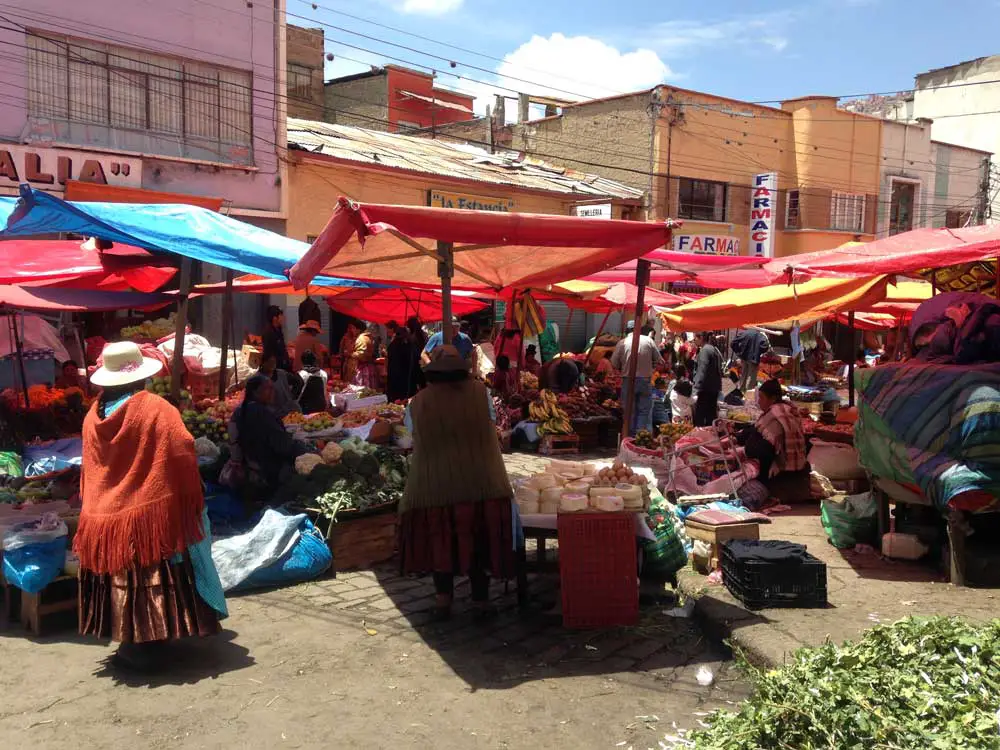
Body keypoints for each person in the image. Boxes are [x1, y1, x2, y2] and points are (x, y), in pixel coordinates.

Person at [76, 341, 227, 671]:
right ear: (141, 375)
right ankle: (151, 642)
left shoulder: (94, 414)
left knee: (125, 578)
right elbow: (181, 449)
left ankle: (130, 642)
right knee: (153, 576)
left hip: (107, 514)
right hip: (149, 513)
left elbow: (92, 466)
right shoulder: (155, 408)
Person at [398, 345, 514, 621]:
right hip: (483, 481)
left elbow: (410, 434)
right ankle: (481, 600)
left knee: (441, 543)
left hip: (434, 485)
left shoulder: (418, 402)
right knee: (479, 539)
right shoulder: (480, 394)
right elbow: (494, 421)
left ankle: (443, 599)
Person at [231, 374, 309, 492]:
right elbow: (282, 446)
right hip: (267, 465)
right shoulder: (261, 413)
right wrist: (298, 443)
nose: (273, 391)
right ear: (255, 392)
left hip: (251, 460)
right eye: (268, 388)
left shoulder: (241, 409)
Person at [737, 379, 810, 503]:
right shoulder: (789, 409)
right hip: (800, 469)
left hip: (781, 474)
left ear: (773, 398)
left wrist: (745, 447)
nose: (759, 401)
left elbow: (761, 450)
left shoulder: (773, 416)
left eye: (761, 398)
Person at [611, 320, 663, 433]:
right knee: (644, 411)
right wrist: (651, 367)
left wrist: (623, 366)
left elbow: (614, 363)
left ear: (627, 330)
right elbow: (659, 360)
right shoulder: (648, 340)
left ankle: (629, 437)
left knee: (629, 411)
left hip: (628, 380)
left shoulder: (622, 343)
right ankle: (640, 436)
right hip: (645, 380)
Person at [692, 332, 723, 427]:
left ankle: (700, 438)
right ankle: (710, 437)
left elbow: (702, 370)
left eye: (695, 338)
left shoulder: (705, 350)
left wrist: (695, 390)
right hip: (713, 389)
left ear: (701, 338)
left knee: (700, 418)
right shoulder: (713, 349)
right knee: (710, 417)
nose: (694, 341)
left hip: (705, 389)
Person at [386, 321, 421, 402]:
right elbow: (416, 363)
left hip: (395, 382)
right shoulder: (411, 346)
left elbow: (388, 362)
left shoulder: (393, 345)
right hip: (408, 382)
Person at [259, 353, 301, 418]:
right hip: (272, 414)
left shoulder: (282, 373)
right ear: (263, 363)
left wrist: (292, 396)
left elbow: (298, 382)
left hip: (290, 412)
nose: (272, 364)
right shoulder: (257, 378)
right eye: (269, 362)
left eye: (274, 362)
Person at [730, 328, 770, 392]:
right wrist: (758, 351)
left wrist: (739, 352)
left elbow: (733, 343)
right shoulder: (760, 335)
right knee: (751, 378)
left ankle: (741, 392)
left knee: (743, 376)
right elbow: (765, 346)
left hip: (744, 357)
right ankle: (748, 394)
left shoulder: (744, 333)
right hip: (753, 359)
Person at [261, 305, 292, 372]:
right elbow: (268, 355)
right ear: (275, 318)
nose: (283, 318)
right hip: (275, 370)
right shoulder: (268, 333)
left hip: (283, 367)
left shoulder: (279, 330)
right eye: (281, 316)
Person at [353, 323, 380, 388]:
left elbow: (361, 355)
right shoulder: (368, 337)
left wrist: (351, 354)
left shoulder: (361, 338)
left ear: (358, 330)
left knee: (363, 391)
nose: (352, 330)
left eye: (353, 328)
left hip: (364, 369)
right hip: (369, 367)